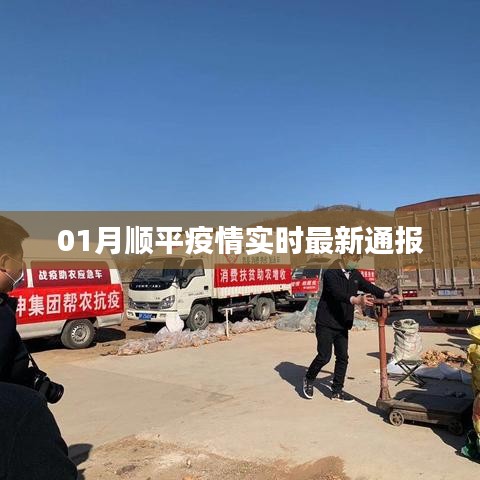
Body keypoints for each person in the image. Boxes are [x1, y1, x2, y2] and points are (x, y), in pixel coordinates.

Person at [0, 216, 78, 479]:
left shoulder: (4, 309)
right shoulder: (23, 411)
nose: (22, 268)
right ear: (4, 262)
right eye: (20, 260)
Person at [302, 253, 402, 402]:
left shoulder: (354, 273)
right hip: (326, 322)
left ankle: (337, 391)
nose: (355, 262)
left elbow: (368, 286)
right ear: (344, 256)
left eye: (357, 259)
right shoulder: (331, 272)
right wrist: (356, 299)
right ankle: (309, 378)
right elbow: (337, 293)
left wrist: (387, 295)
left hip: (342, 322)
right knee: (324, 356)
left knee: (343, 358)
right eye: (353, 259)